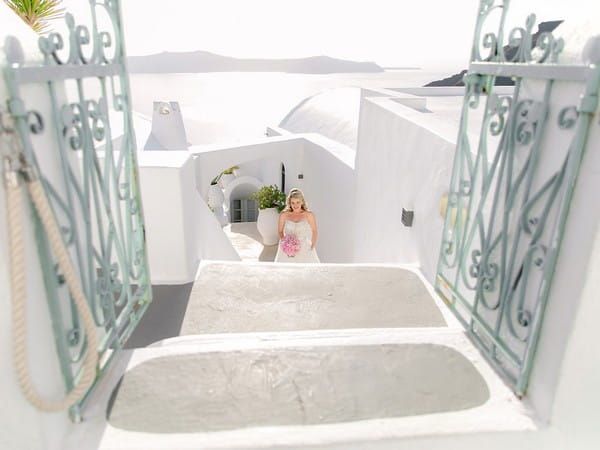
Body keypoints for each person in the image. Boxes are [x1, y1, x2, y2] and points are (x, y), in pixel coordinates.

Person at [274, 188, 320, 263]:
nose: (295, 205)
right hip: (287, 248)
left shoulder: (309, 215)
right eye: (293, 203)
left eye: (298, 202)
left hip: (304, 248)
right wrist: (285, 244)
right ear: (290, 202)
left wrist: (312, 246)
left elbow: (314, 231)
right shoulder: (284, 214)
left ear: (302, 202)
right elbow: (280, 231)